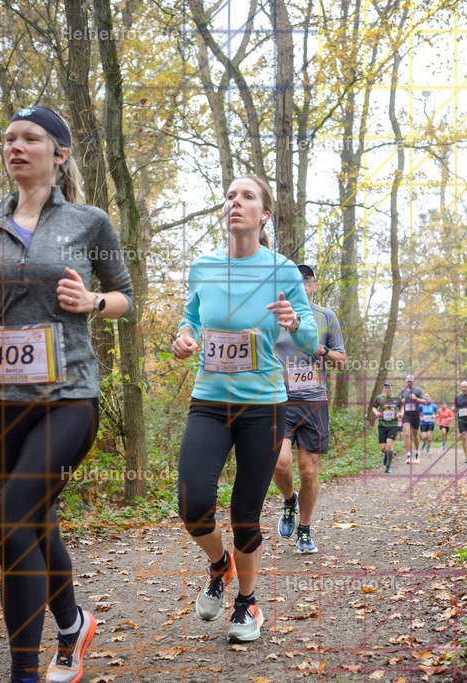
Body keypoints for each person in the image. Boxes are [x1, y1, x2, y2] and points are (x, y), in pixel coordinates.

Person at [0, 105, 134, 683]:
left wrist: (94, 304)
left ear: (60, 153)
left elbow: (125, 295)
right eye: (9, 139)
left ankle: (23, 672)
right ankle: (73, 624)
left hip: (69, 395)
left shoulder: (88, 221)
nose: (16, 147)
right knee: (33, 519)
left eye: (30, 138)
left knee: (9, 523)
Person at [171, 174, 318, 644]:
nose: (236, 202)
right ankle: (220, 565)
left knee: (244, 514)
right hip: (209, 403)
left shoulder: (284, 271)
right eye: (230, 196)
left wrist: (295, 322)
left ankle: (246, 603)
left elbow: (311, 339)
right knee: (193, 506)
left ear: (264, 215)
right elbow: (191, 316)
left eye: (247, 196)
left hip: (263, 407)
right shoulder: (204, 267)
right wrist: (185, 337)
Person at [273, 263, 347, 554]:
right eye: (298, 279)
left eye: (308, 279)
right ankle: (289, 500)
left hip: (314, 401)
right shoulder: (274, 314)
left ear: (315, 286)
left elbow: (341, 360)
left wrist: (323, 350)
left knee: (308, 472)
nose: (303, 283)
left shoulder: (326, 317)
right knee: (279, 464)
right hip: (279, 399)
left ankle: (304, 529)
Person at [398, 374, 429, 464]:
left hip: (415, 414)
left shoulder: (418, 390)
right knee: (407, 433)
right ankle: (408, 455)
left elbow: (425, 402)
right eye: (408, 381)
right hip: (406, 415)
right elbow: (399, 405)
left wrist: (416, 399)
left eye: (411, 381)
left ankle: (417, 453)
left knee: (415, 434)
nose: (409, 383)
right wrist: (401, 403)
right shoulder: (403, 391)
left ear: (413, 381)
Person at [372, 381, 402, 472]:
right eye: (386, 388)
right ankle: (387, 455)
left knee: (389, 444)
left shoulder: (397, 398)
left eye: (389, 388)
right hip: (382, 425)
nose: (387, 389)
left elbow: (401, 408)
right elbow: (374, 407)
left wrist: (401, 414)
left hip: (393, 425)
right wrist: (377, 413)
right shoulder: (380, 398)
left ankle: (388, 466)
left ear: (392, 388)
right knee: (383, 448)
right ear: (384, 389)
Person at [416, 394, 438, 459]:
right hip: (423, 422)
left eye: (428, 396)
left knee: (429, 436)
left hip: (431, 422)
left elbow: (437, 414)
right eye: (425, 397)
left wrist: (435, 416)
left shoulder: (433, 405)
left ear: (430, 398)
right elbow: (418, 414)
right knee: (424, 437)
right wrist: (420, 418)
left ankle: (428, 449)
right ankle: (425, 444)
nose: (426, 398)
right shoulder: (421, 405)